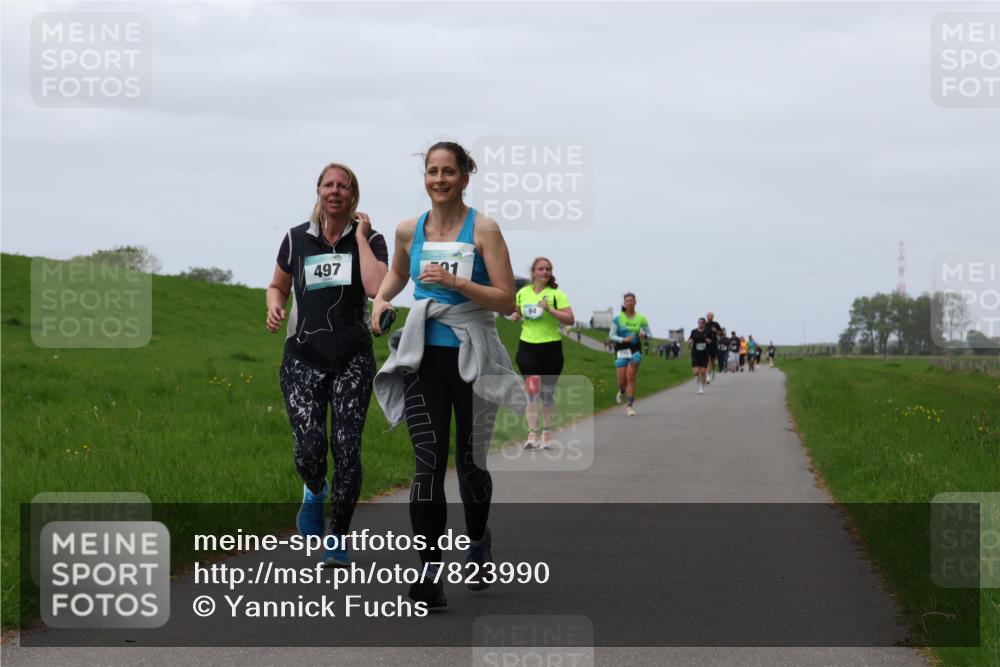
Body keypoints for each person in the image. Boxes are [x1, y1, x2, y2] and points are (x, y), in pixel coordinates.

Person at [371, 141, 519, 608]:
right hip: (424, 359)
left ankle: (477, 542)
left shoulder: (486, 230)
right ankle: (429, 575)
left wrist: (458, 283)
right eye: (432, 171)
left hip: (472, 357)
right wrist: (380, 299)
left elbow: (506, 300)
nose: (439, 179)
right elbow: (396, 276)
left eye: (448, 172)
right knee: (427, 462)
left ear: (464, 177)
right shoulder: (407, 230)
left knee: (471, 464)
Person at [266, 162, 389, 568]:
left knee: (347, 449)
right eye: (328, 184)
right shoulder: (296, 238)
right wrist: (275, 307)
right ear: (318, 190)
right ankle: (314, 489)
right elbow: (277, 285)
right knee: (310, 450)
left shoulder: (372, 240)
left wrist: (361, 238)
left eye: (344, 186)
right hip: (303, 357)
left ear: (354, 195)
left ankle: (337, 538)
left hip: (352, 358)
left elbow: (376, 288)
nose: (335, 191)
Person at [510, 257, 574, 450]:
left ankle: (546, 433)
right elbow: (520, 312)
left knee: (546, 394)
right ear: (533, 272)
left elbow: (570, 319)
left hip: (551, 347)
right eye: (541, 269)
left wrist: (550, 309)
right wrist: (516, 315)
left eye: (548, 269)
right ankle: (532, 435)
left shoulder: (556, 294)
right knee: (532, 390)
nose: (545, 272)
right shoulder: (522, 293)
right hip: (528, 345)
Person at [609, 293, 651, 417]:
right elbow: (611, 335)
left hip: (635, 350)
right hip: (621, 350)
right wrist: (622, 340)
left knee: (631, 376)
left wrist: (644, 336)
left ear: (635, 302)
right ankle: (622, 391)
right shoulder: (618, 318)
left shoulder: (641, 318)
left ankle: (630, 406)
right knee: (622, 381)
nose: (629, 302)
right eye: (627, 300)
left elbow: (649, 334)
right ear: (624, 303)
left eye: (631, 300)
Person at [688, 317, 712, 394]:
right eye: (699, 322)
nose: (700, 324)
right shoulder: (694, 331)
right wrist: (690, 341)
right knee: (695, 372)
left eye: (702, 323)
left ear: (704, 324)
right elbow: (690, 339)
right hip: (695, 353)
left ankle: (701, 387)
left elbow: (711, 340)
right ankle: (699, 379)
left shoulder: (707, 331)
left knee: (703, 371)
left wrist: (709, 341)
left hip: (704, 354)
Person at [704, 311, 723, 383]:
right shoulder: (704, 324)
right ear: (706, 317)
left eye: (711, 316)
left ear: (713, 317)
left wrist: (716, 331)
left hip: (713, 344)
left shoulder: (716, 324)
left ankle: (713, 371)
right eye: (708, 316)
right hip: (705, 344)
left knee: (712, 361)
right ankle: (708, 376)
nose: (709, 317)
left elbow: (721, 333)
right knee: (708, 359)